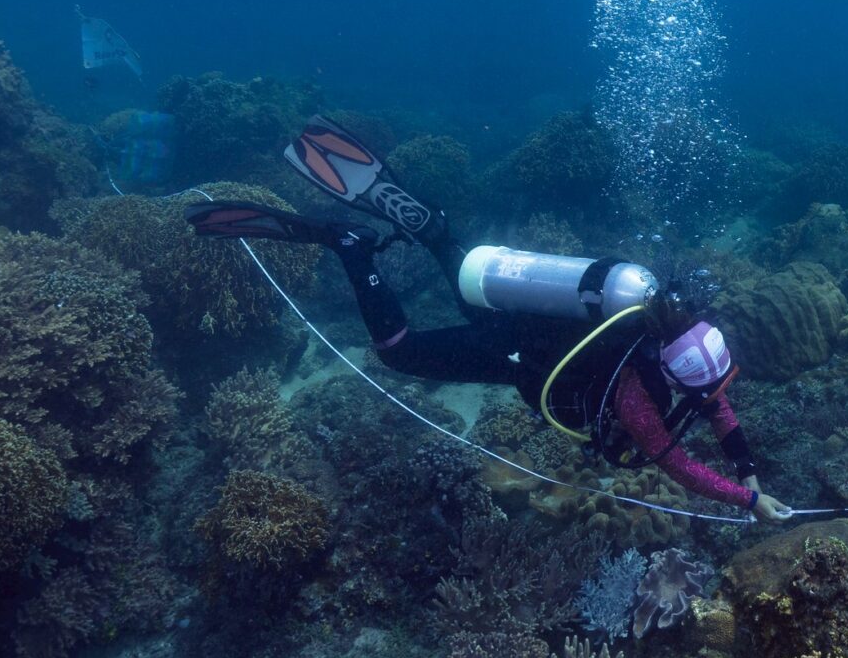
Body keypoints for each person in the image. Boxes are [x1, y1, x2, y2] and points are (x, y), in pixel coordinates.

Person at [187, 116, 789, 522]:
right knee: (398, 351)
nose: (711, 401)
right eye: (702, 390)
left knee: (466, 275)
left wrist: (749, 469)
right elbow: (676, 462)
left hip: (521, 299)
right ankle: (350, 247)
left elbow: (717, 406)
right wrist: (746, 498)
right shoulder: (637, 397)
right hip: (512, 349)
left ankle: (437, 233)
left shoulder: (663, 325)